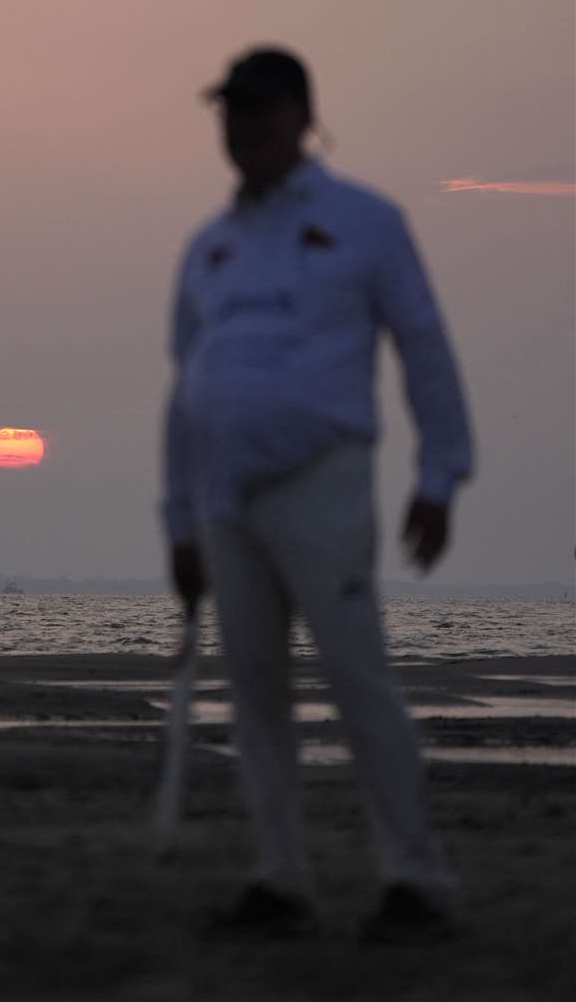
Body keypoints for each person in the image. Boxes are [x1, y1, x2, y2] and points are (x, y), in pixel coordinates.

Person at [161, 48, 472, 941]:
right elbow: (184, 390)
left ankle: (417, 880)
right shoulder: (208, 247)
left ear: (302, 115)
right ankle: (278, 878)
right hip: (225, 495)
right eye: (230, 111)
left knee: (355, 678)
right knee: (253, 692)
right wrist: (177, 517)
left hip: (321, 480)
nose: (243, 127)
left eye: (260, 110)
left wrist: (439, 476)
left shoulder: (363, 221)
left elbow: (423, 344)